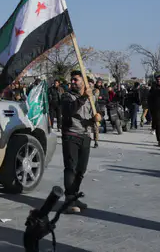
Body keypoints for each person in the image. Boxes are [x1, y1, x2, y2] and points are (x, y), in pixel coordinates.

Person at [61, 70, 101, 213]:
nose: (72, 82)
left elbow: (88, 118)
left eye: (76, 80)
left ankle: (74, 196)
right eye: (72, 80)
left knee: (81, 170)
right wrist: (83, 97)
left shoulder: (90, 98)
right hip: (71, 135)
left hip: (85, 136)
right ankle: (69, 199)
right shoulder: (67, 96)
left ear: (83, 82)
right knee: (71, 168)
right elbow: (69, 111)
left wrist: (95, 119)